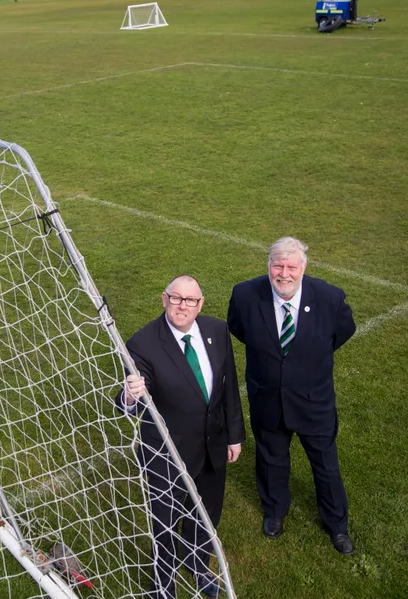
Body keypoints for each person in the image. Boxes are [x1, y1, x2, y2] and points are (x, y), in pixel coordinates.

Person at [226, 237, 357, 555]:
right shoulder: (245, 295)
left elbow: (343, 331)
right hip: (267, 398)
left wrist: (303, 362)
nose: (284, 273)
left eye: (291, 267)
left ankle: (337, 525)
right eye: (277, 265)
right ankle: (274, 512)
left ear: (304, 267)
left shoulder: (329, 298)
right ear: (268, 265)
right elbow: (239, 328)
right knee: (271, 459)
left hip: (314, 401)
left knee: (326, 465)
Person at [118, 275, 246, 598]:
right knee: (164, 524)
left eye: (190, 300)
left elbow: (228, 388)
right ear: (164, 299)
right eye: (176, 298)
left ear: (200, 304)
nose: (183, 306)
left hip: (213, 444)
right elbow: (126, 399)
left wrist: (234, 435)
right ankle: (162, 587)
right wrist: (132, 395)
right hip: (167, 455)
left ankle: (196, 562)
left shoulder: (217, 331)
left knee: (206, 513)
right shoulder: (142, 343)